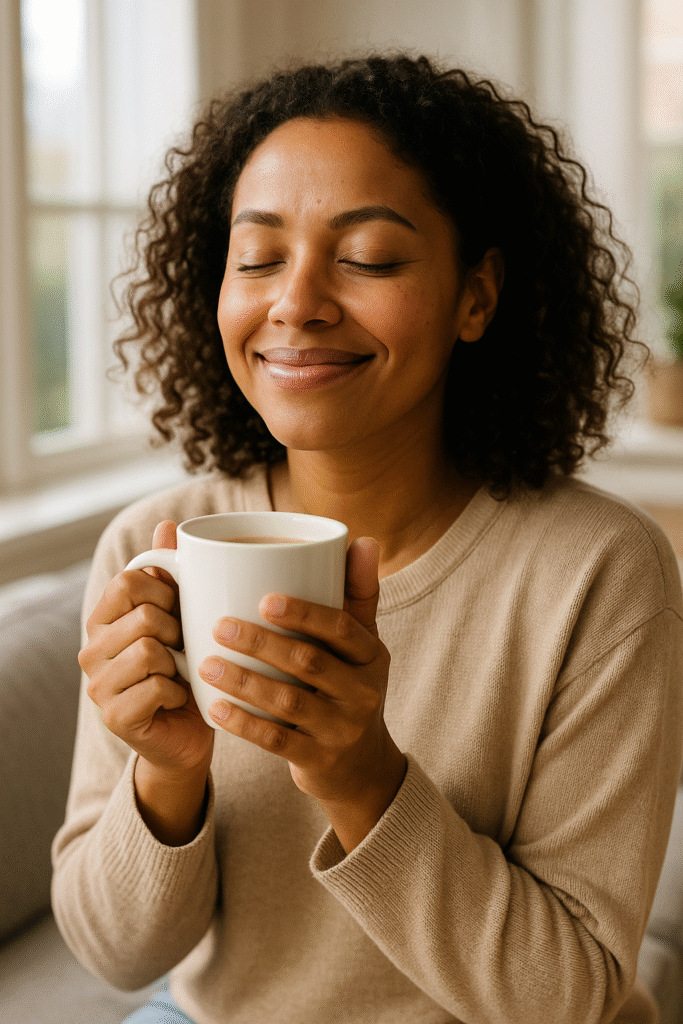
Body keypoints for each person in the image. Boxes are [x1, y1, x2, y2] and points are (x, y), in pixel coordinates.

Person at [52, 53, 683, 1024]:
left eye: (371, 258)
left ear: (475, 296)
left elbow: (566, 998)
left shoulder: (597, 572)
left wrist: (362, 779)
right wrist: (167, 773)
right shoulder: (151, 548)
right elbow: (117, 954)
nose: (295, 302)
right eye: (257, 258)